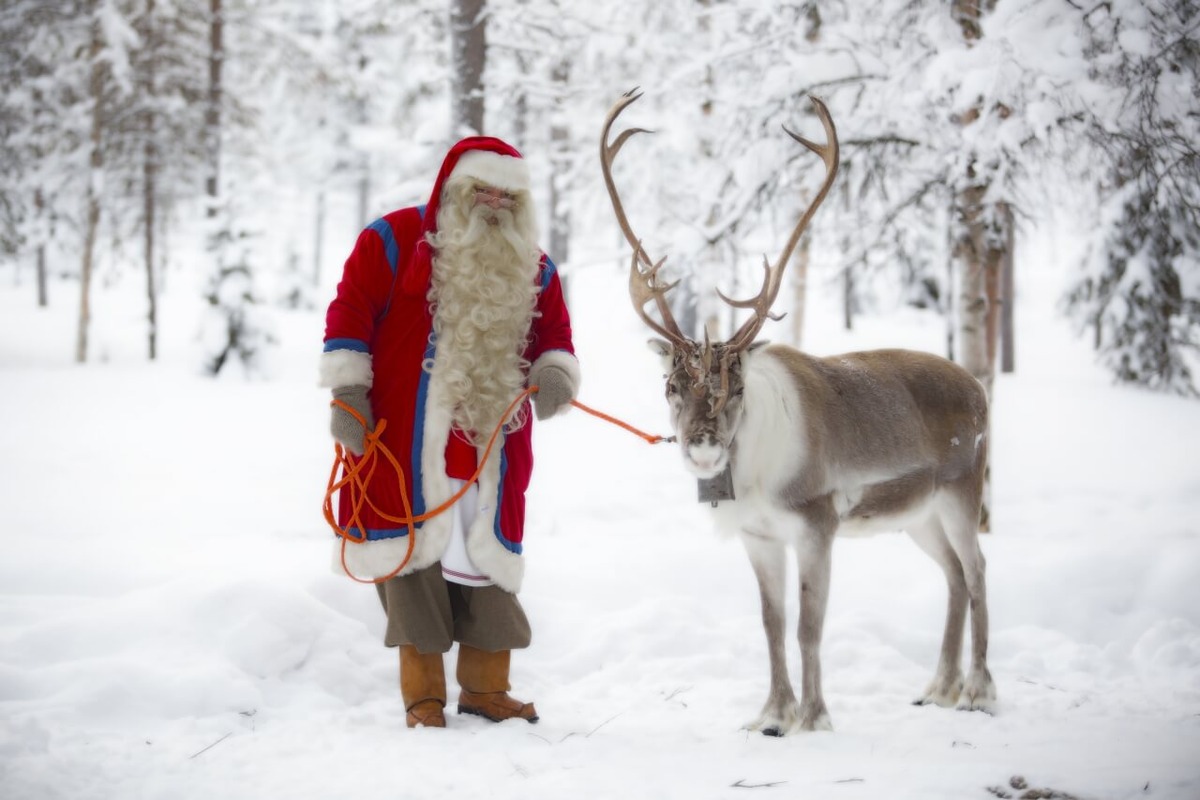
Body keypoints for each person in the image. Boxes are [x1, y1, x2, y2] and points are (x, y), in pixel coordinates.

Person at [319, 137, 580, 729]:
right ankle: (424, 699)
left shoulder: (534, 265)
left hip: (492, 448)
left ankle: (487, 691)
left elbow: (554, 335)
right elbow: (350, 310)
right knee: (412, 563)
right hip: (401, 439)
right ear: (452, 189)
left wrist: (555, 372)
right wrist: (348, 391)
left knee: (489, 568)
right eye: (481, 190)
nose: (493, 203)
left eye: (507, 195)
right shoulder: (392, 239)